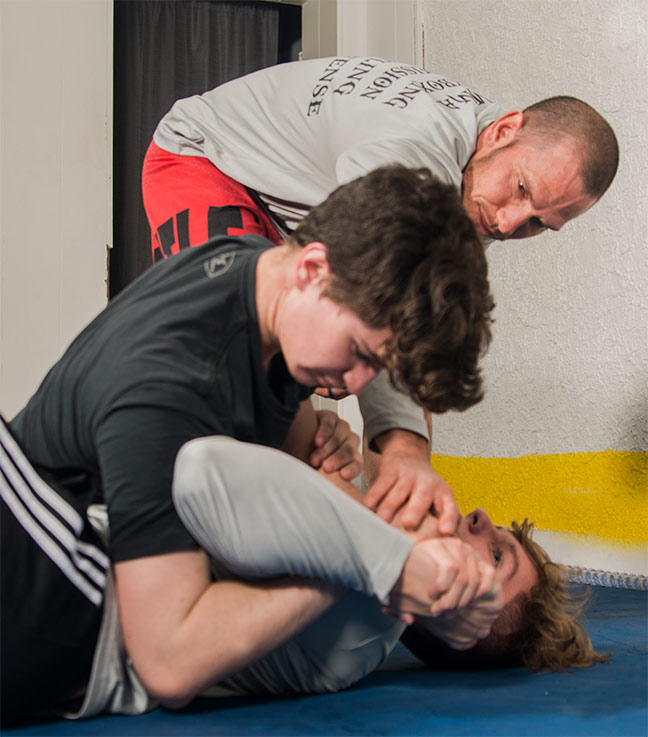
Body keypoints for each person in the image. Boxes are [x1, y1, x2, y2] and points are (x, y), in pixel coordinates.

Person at [1, 165, 498, 726]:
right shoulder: (166, 384)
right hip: (48, 585)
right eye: (360, 352)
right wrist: (373, 565)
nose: (357, 384)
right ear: (312, 269)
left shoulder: (256, 277)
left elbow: (302, 467)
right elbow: (169, 664)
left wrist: (359, 528)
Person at [142, 55, 620, 533]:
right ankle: (162, 529)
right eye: (520, 190)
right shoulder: (414, 151)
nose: (509, 222)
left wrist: (406, 488)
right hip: (210, 160)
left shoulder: (491, 174)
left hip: (295, 212)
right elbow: (387, 303)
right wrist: (406, 450)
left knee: (315, 383)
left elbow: (420, 331)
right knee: (239, 359)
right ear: (503, 130)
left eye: (541, 222)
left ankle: (372, 530)